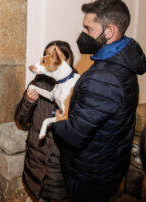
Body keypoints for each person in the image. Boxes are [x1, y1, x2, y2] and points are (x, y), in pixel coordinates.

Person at [52, 1, 146, 201]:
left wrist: (58, 120)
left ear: (110, 31)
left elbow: (75, 135)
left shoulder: (104, 78)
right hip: (108, 165)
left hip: (90, 173)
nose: (83, 34)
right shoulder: (123, 61)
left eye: (88, 28)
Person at [15, 41, 74, 202]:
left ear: (68, 60)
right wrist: (28, 101)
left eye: (59, 56)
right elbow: (20, 119)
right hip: (36, 159)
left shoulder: (78, 85)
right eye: (47, 55)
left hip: (61, 164)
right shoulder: (38, 83)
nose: (52, 59)